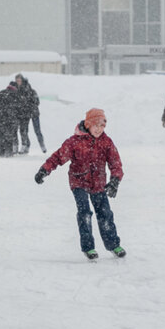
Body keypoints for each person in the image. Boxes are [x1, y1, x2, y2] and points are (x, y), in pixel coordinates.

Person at [34, 108, 126, 260]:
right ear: (88, 124)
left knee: (105, 213)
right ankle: (88, 247)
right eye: (96, 125)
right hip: (79, 181)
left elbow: (115, 162)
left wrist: (115, 180)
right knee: (85, 213)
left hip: (98, 182)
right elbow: (58, 157)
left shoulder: (106, 142)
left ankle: (113, 244)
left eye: (102, 126)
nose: (99, 129)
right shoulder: (74, 142)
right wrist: (44, 170)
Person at [0, 80, 22, 157]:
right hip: (10, 120)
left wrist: (1, 105)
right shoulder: (15, 95)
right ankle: (8, 153)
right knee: (9, 137)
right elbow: (19, 108)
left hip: (0, 119)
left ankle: (1, 153)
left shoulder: (2, 92)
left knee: (1, 136)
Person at [14, 74, 43, 154]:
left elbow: (36, 101)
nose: (18, 82)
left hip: (31, 113)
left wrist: (28, 104)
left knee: (36, 130)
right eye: (17, 81)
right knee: (23, 130)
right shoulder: (16, 89)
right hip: (22, 113)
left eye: (19, 80)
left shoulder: (30, 90)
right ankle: (26, 145)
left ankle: (41, 144)